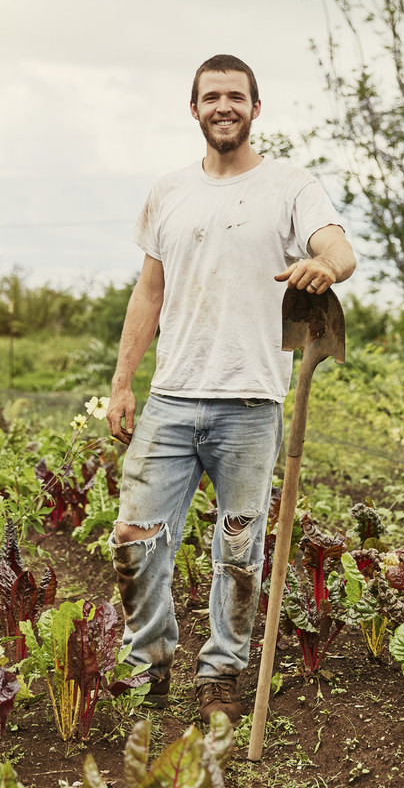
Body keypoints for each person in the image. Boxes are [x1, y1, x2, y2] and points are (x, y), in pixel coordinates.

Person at [105, 54, 356, 725]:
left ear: (255, 108)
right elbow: (149, 292)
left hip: (251, 402)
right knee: (135, 537)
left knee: (239, 547)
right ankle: (148, 662)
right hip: (172, 397)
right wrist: (122, 383)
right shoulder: (168, 192)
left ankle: (221, 671)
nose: (224, 106)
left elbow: (340, 250)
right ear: (194, 109)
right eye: (211, 96)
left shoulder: (290, 186)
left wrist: (320, 266)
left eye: (236, 96)